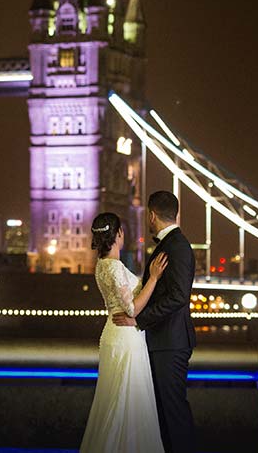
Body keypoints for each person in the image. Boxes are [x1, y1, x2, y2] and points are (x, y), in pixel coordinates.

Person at [112, 191, 197, 453]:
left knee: (172, 412)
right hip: (163, 342)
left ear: (151, 215)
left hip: (170, 344)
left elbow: (179, 297)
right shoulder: (170, 244)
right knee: (162, 411)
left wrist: (138, 319)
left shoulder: (177, 247)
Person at [79, 211, 168, 452]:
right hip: (126, 337)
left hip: (112, 334)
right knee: (126, 403)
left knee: (114, 399)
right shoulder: (115, 267)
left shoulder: (100, 266)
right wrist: (154, 279)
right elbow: (131, 309)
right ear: (119, 234)